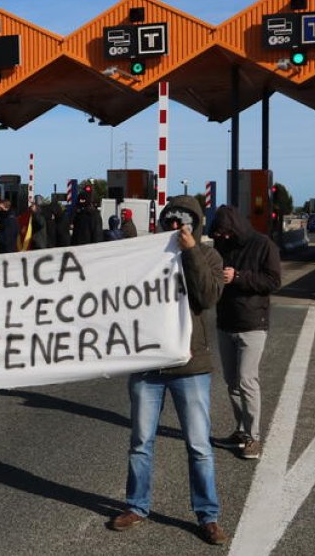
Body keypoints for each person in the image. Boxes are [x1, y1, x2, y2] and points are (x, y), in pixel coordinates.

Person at [109, 195, 227, 546]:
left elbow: (207, 297)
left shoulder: (209, 255)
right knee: (141, 442)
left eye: (182, 223)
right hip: (148, 367)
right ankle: (137, 505)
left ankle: (208, 515)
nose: (175, 229)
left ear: (196, 225)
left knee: (199, 445)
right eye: (169, 222)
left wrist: (190, 252)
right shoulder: (149, 255)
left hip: (190, 366)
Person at [209, 204, 282, 461]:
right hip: (225, 321)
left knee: (247, 380)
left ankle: (254, 438)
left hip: (253, 323)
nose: (223, 238)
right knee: (232, 383)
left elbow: (273, 281)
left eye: (226, 233)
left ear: (236, 227)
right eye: (219, 234)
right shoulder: (221, 246)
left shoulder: (263, 245)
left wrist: (238, 276)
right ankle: (241, 430)